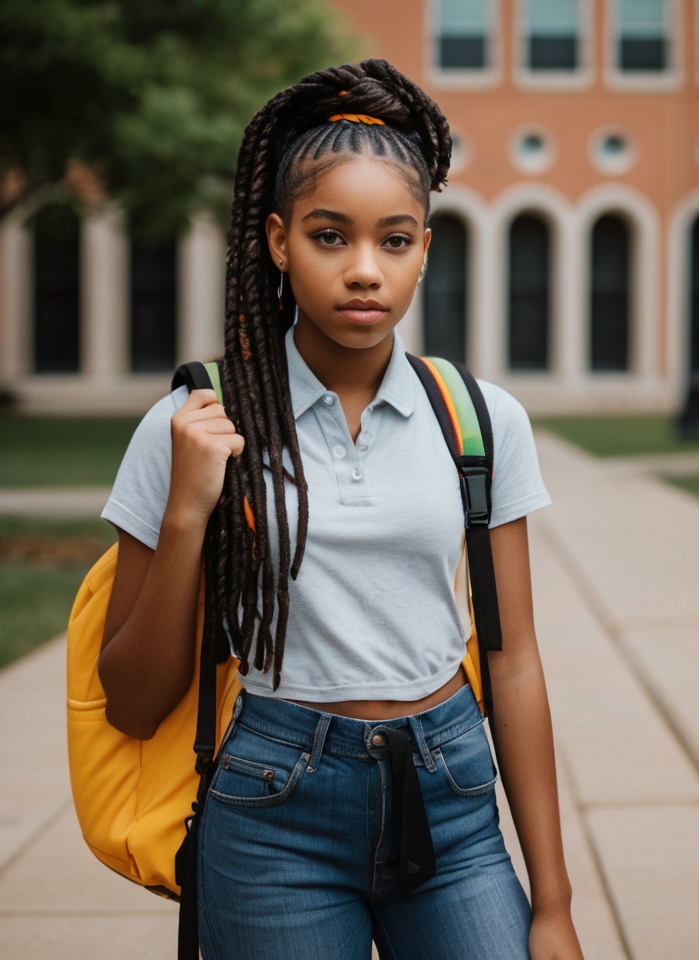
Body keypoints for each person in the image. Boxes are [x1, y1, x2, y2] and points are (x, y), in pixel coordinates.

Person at [97, 59, 583, 960]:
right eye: (331, 237)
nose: (365, 271)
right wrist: (186, 517)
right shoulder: (192, 423)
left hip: (453, 798)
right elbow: (130, 700)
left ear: (426, 249)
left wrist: (552, 903)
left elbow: (513, 664)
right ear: (279, 241)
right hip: (272, 807)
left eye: (394, 241)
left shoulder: (480, 420)